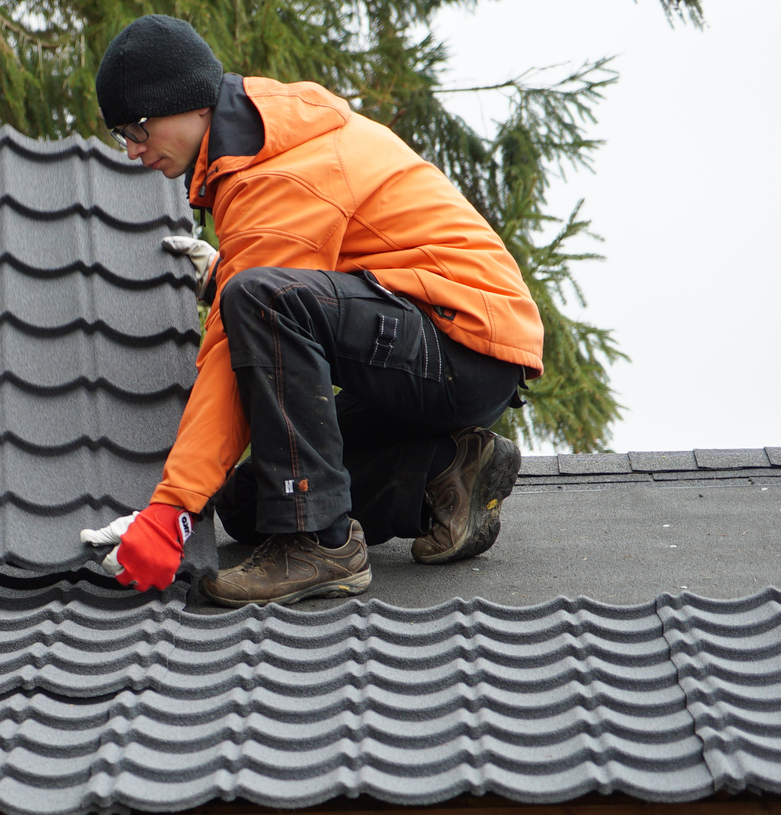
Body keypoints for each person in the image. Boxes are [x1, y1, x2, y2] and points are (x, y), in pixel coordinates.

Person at [78, 14, 543, 606]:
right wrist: (227, 273)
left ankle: (320, 546)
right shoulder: (250, 149)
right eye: (122, 132)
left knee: (258, 301)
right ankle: (445, 471)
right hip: (424, 343)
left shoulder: (279, 168)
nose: (132, 147)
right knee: (253, 503)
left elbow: (244, 335)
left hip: (465, 342)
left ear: (193, 105)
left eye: (138, 127)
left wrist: (171, 509)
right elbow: (320, 276)